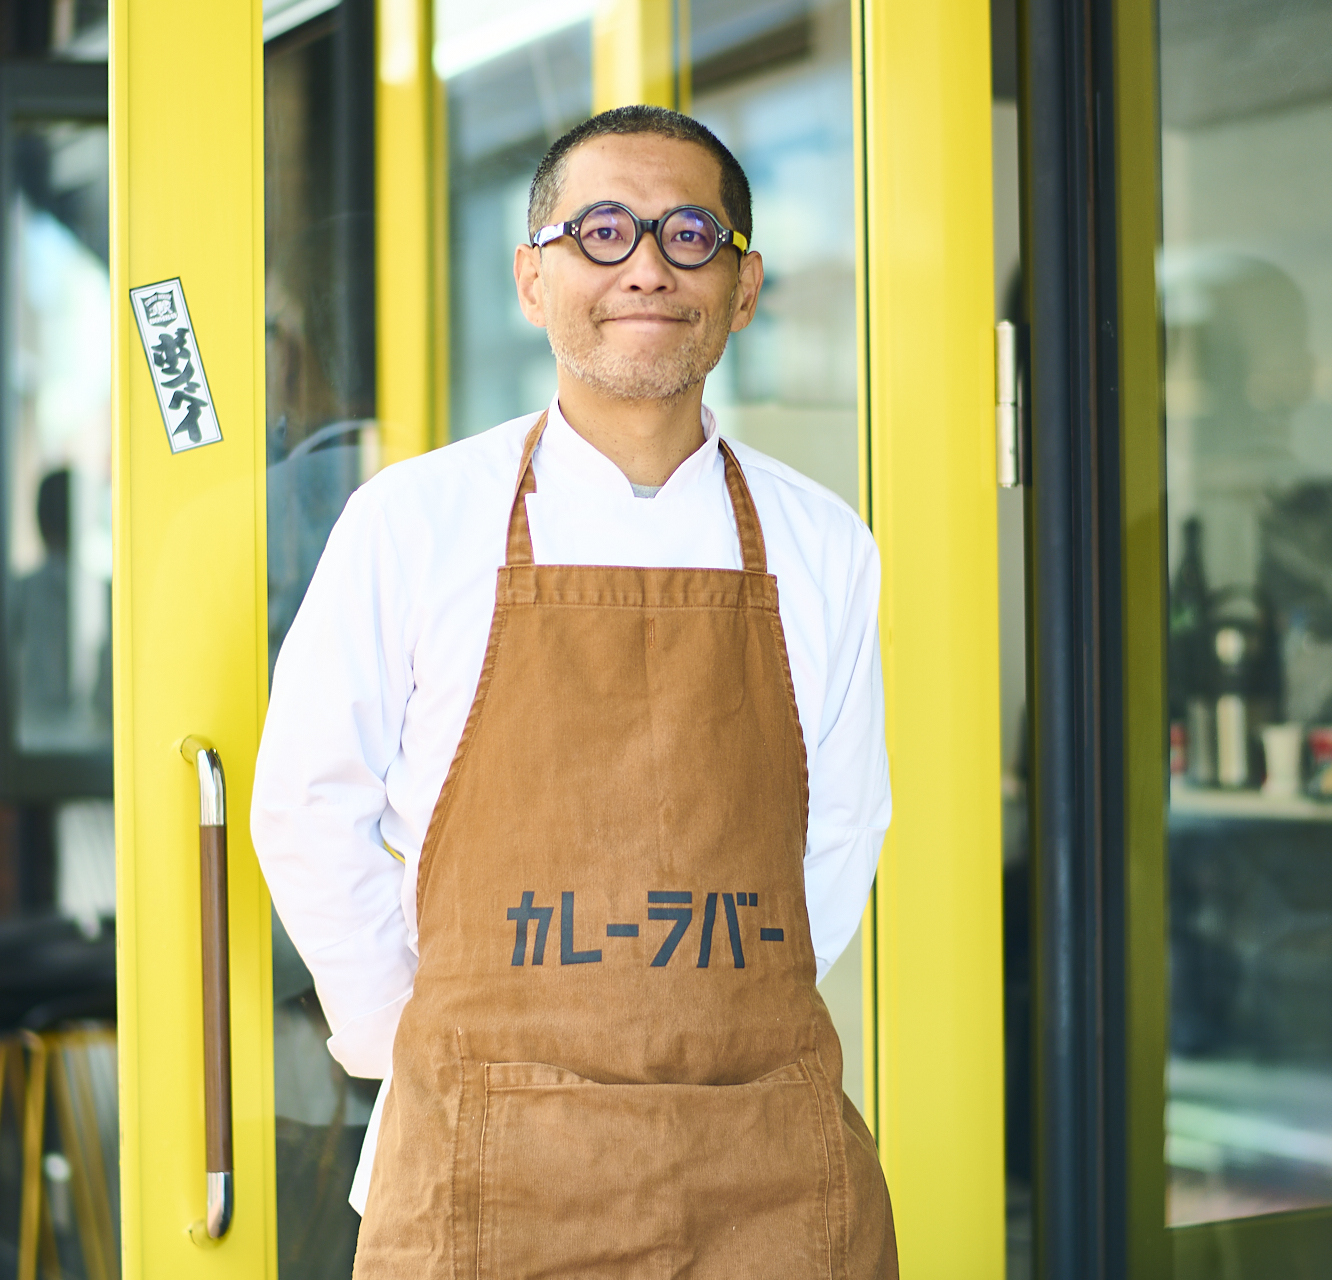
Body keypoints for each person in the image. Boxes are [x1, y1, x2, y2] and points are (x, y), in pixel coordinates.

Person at [251, 105, 897, 1276]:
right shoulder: (414, 521)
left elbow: (839, 835)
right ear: (532, 278)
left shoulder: (824, 544)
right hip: (485, 1164)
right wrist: (418, 1041)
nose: (646, 264)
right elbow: (305, 803)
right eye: (602, 231)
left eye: (690, 234)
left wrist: (708, 1021)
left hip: (759, 1159)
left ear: (743, 287)